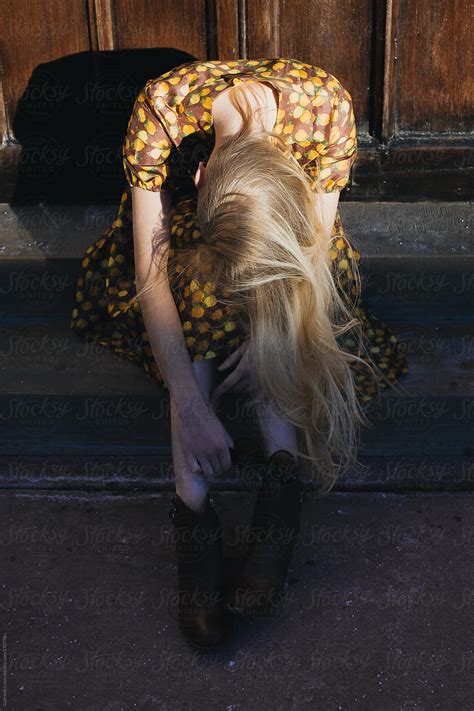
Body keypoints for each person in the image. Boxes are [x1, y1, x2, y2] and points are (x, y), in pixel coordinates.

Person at [70, 57, 409, 648]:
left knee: (283, 316)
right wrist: (190, 406)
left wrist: (269, 339)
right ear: (199, 179)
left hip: (294, 251)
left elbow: (316, 252)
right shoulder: (162, 112)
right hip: (190, 247)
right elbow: (152, 277)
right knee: (195, 288)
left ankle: (282, 484)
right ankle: (192, 500)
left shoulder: (326, 110)